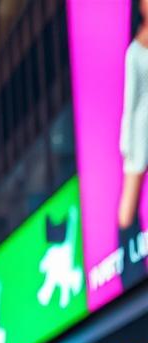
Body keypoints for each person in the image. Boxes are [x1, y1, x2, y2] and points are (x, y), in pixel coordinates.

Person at [118, 0, 148, 288]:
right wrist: (127, 141)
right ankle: (128, 263)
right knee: (128, 205)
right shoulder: (135, 51)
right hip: (141, 130)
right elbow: (131, 101)